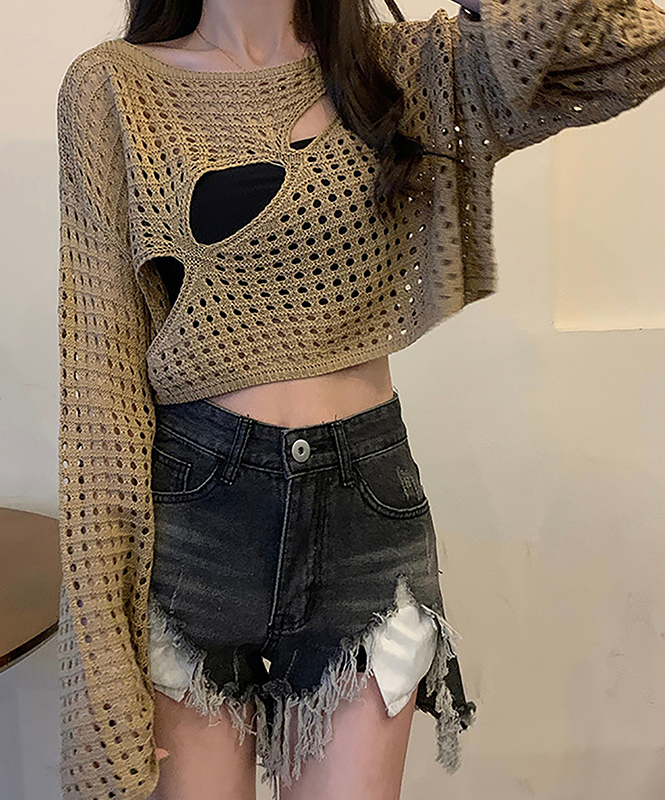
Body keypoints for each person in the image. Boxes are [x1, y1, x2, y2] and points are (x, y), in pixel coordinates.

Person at [55, 1, 665, 798]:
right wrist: (98, 660)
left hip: (366, 519)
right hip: (196, 521)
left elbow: (639, 48)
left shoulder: (400, 70)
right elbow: (98, 388)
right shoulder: (113, 88)